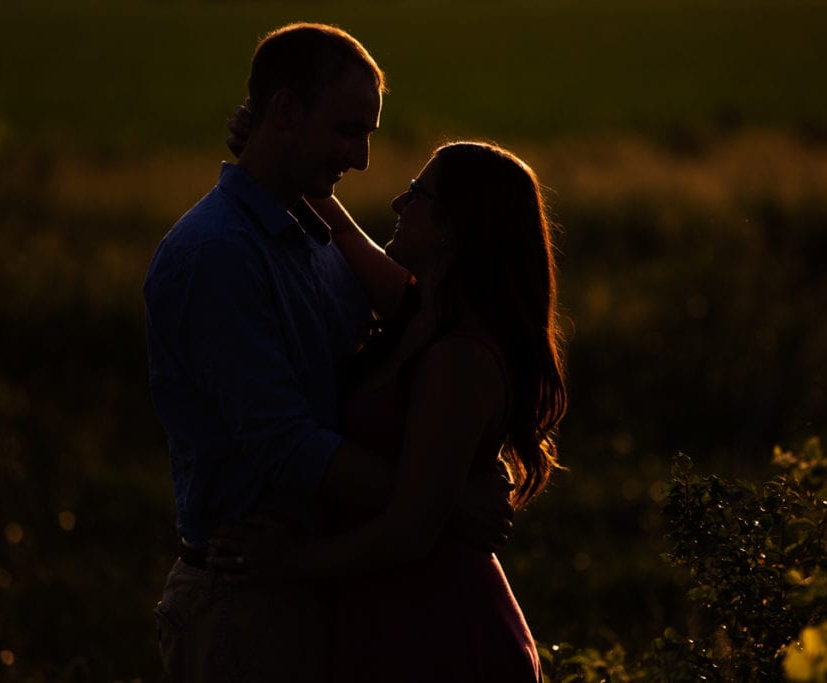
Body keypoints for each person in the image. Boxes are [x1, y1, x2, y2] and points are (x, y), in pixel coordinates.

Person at [143, 24, 511, 682]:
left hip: (321, 589)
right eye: (347, 130)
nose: (363, 158)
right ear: (284, 112)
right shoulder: (218, 254)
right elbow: (282, 440)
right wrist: (441, 501)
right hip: (245, 598)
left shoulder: (318, 244)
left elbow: (420, 312)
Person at [210, 140, 568, 682]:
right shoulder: (417, 311)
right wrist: (277, 155)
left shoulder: (460, 356)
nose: (400, 204)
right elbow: (348, 235)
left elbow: (408, 531)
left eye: (418, 194)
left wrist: (284, 563)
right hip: (394, 623)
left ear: (451, 226)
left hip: (444, 634)